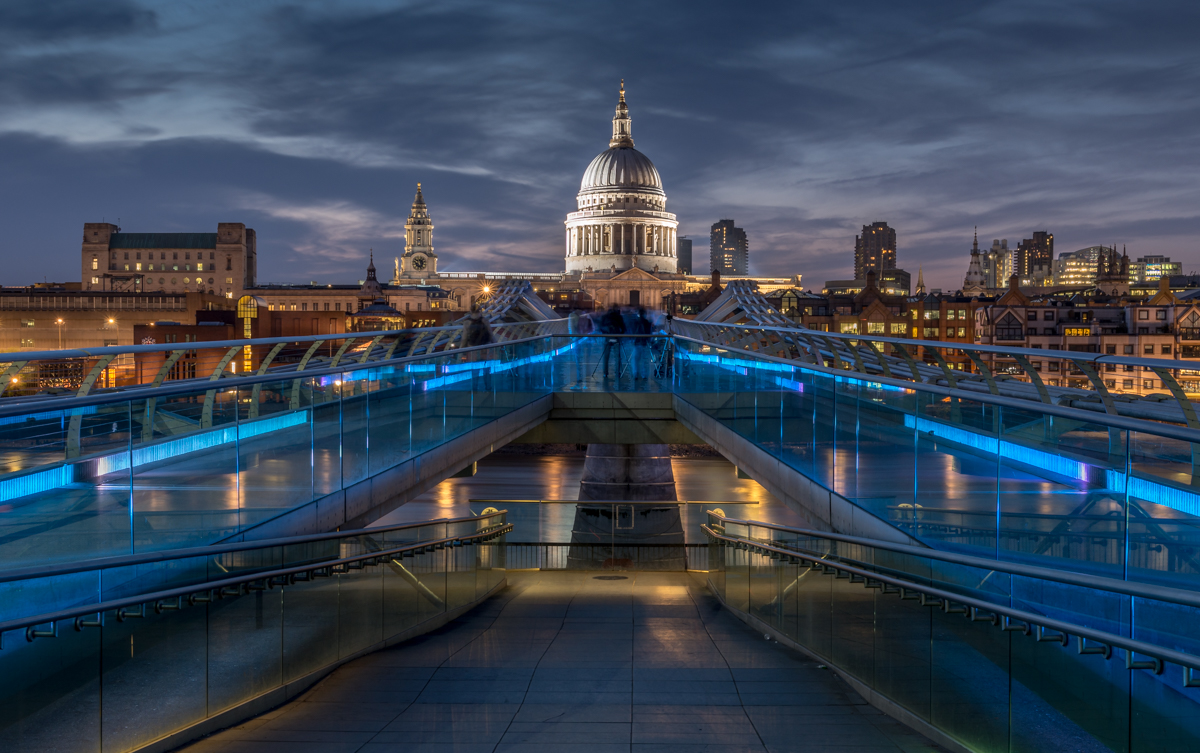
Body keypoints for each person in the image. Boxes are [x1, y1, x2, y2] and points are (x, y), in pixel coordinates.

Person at [598, 304, 626, 378]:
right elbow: (623, 328)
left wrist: (605, 333)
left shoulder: (605, 317)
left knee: (606, 356)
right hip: (617, 337)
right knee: (617, 356)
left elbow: (600, 327)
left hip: (607, 337)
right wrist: (621, 334)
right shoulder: (619, 317)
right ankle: (617, 372)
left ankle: (605, 373)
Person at [631, 307, 652, 379]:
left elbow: (633, 331)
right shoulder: (647, 322)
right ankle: (644, 375)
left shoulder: (635, 322)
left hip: (637, 342)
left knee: (635, 359)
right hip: (644, 342)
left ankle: (635, 373)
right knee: (644, 360)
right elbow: (649, 333)